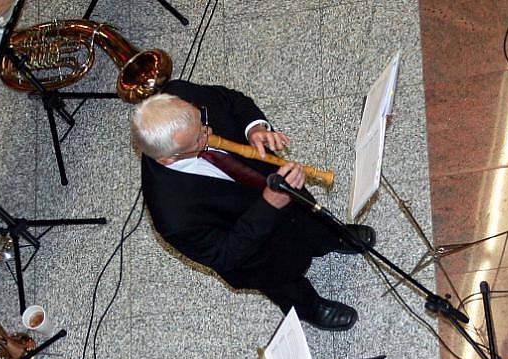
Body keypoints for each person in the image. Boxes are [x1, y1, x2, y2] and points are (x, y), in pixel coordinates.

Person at [131, 80, 376, 332]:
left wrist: (255, 128)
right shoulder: (172, 215)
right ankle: (309, 307)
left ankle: (331, 238)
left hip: (270, 182)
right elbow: (225, 255)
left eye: (201, 121)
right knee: (282, 279)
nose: (209, 131)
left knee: (308, 217)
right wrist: (269, 205)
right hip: (258, 252)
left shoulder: (181, 94)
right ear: (168, 158)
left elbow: (231, 99)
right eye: (198, 139)